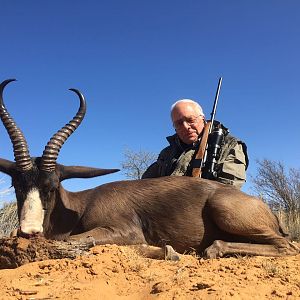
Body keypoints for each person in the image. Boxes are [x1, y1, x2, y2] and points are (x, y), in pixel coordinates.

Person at [142, 99, 248, 189]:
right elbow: (144, 185)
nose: (185, 126)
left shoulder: (229, 145)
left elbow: (229, 190)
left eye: (190, 120)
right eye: (179, 123)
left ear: (202, 119)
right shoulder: (167, 153)